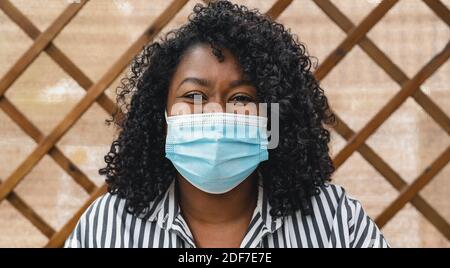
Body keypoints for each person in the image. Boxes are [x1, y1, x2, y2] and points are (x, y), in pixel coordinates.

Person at [65, 0, 389, 248]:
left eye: (241, 98)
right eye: (193, 95)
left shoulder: (333, 221)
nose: (216, 113)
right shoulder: (107, 226)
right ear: (159, 116)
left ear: (273, 119)